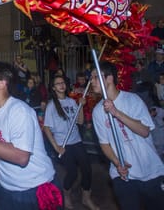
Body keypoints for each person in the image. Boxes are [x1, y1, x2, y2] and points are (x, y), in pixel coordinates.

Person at [0, 60, 63, 210]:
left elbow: (21, 157)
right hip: (5, 188)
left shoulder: (19, 112)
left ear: (2, 83)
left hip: (35, 188)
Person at [91, 61, 164, 210]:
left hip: (150, 170)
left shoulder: (133, 100)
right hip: (124, 175)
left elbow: (144, 131)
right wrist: (117, 163)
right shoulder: (97, 111)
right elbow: (104, 144)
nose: (91, 82)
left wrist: (116, 113)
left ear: (109, 78)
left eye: (95, 77)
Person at [44, 75, 99, 210]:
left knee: (87, 169)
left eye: (62, 82)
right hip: (63, 145)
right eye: (57, 84)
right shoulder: (51, 106)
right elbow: (46, 128)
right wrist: (56, 147)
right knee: (72, 173)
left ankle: (86, 198)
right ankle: (66, 194)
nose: (61, 85)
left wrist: (81, 106)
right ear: (53, 88)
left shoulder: (72, 102)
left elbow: (80, 121)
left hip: (77, 141)